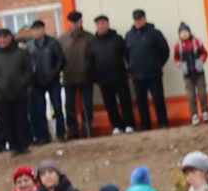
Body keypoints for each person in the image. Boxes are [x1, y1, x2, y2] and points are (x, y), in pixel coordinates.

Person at [0, 27, 32, 154]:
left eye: (5, 37)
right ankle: (13, 146)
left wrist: (23, 82)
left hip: (20, 92)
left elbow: (28, 70)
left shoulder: (21, 53)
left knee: (21, 120)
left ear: (10, 37)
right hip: (3, 95)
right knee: (7, 122)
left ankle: (23, 145)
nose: (2, 40)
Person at [123, 10, 171, 131]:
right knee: (141, 101)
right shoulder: (129, 35)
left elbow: (165, 50)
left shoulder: (154, 33)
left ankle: (163, 122)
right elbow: (127, 54)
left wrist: (158, 64)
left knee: (158, 99)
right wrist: (132, 66)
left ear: (144, 18)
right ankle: (145, 125)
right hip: (137, 74)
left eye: (140, 19)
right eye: (136, 19)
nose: (138, 21)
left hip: (153, 73)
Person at [88, 17, 135, 135]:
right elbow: (90, 62)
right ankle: (116, 126)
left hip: (120, 76)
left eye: (103, 23)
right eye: (99, 24)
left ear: (108, 24)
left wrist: (129, 70)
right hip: (103, 79)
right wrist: (95, 77)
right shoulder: (93, 43)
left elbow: (127, 55)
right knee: (110, 104)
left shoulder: (117, 38)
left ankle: (129, 124)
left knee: (125, 101)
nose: (101, 26)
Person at [27, 18, 65, 145]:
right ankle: (43, 136)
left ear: (43, 29)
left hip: (52, 81)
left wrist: (54, 74)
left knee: (57, 108)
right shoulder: (30, 46)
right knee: (40, 110)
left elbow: (60, 60)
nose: (37, 32)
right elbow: (28, 64)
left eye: (39, 29)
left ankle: (61, 134)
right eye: (34, 30)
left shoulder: (52, 43)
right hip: (37, 82)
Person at [59, 12, 94, 142]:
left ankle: (87, 129)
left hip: (86, 77)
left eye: (77, 22)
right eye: (72, 22)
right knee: (69, 105)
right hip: (69, 77)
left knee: (87, 105)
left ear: (81, 22)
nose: (74, 24)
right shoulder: (62, 39)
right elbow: (58, 59)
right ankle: (72, 130)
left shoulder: (89, 37)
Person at [172, 22, 208, 123]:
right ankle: (194, 115)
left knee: (202, 93)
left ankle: (205, 112)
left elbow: (204, 53)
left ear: (189, 32)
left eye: (186, 31)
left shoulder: (197, 42)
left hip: (199, 73)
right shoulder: (178, 46)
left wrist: (201, 60)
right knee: (191, 95)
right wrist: (180, 65)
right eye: (182, 32)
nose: (184, 34)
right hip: (187, 74)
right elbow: (175, 58)